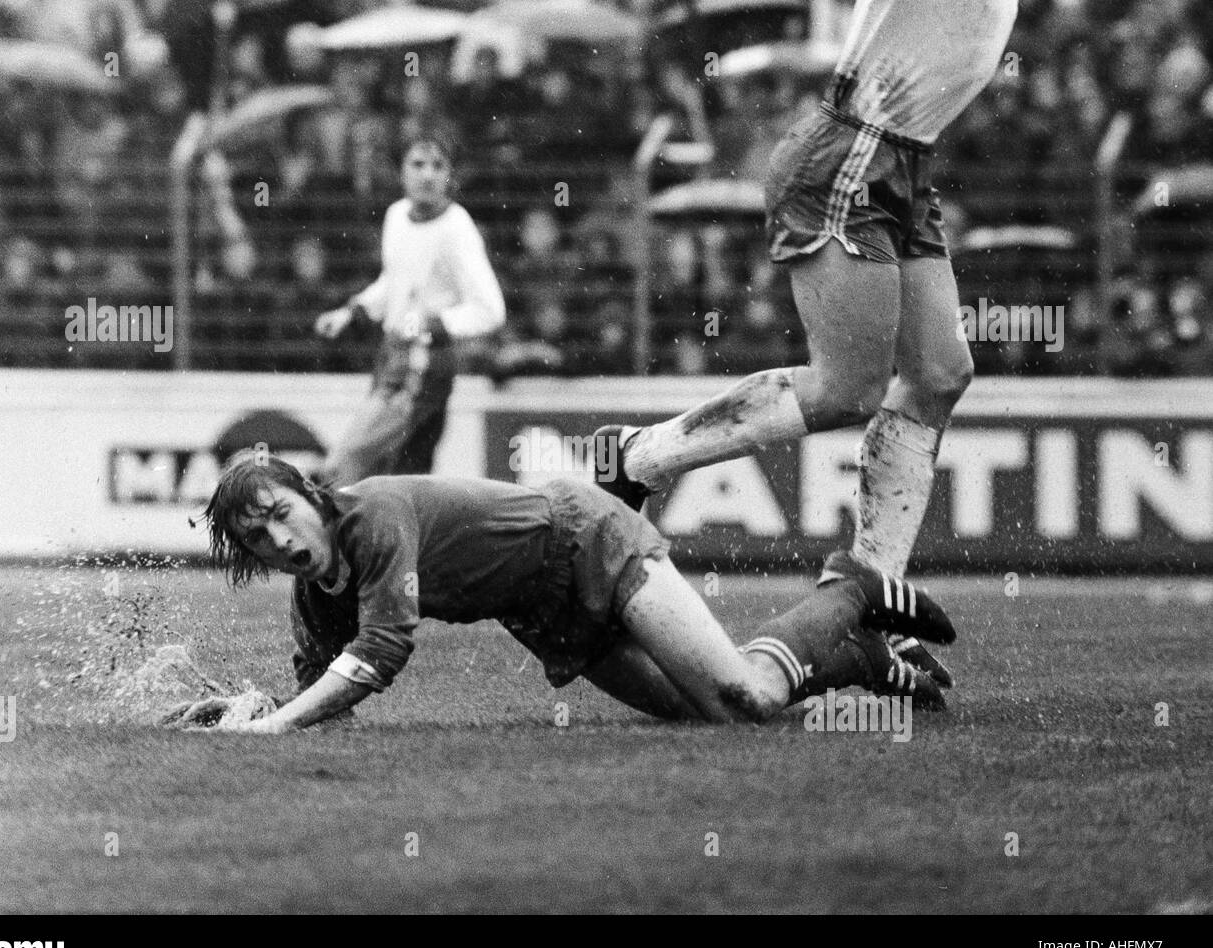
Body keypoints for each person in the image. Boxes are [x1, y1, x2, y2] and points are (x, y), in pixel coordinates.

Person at [594, 0, 1019, 684]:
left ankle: (874, 608)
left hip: (901, 162)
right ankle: (635, 457)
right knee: (848, 389)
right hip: (850, 152)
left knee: (939, 373)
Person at [169, 452, 952, 734]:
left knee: (745, 698)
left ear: (311, 493)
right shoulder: (313, 596)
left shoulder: (370, 516)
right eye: (258, 540)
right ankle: (860, 659)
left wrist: (270, 730)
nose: (278, 540)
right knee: (708, 714)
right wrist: (251, 712)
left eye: (279, 515)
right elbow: (320, 700)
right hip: (539, 610)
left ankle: (845, 592)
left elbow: (381, 651)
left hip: (583, 540)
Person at [313, 132, 505, 484]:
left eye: (438, 165)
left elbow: (490, 308)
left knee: (346, 465)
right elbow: (394, 281)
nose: (427, 174)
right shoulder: (396, 216)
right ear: (402, 171)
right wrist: (352, 311)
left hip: (425, 361)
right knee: (407, 476)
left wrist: (434, 322)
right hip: (392, 353)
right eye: (418, 164)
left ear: (450, 175)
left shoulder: (456, 228)